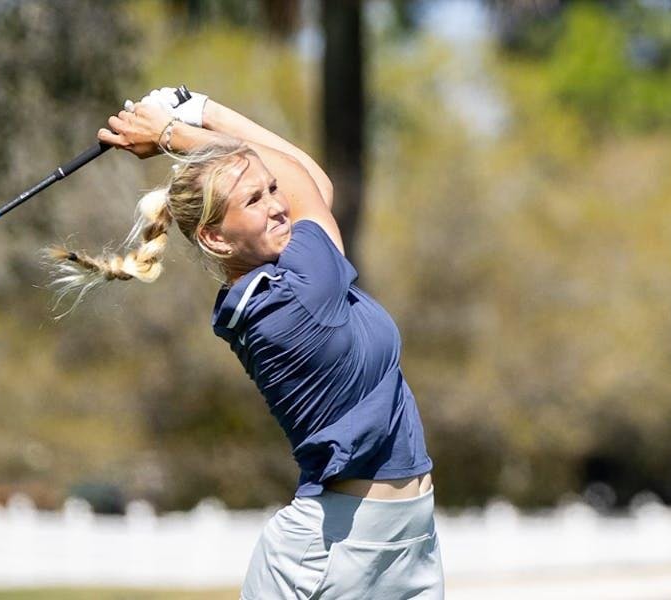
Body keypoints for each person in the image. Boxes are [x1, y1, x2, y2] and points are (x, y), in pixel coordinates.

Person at [49, 87, 444, 599]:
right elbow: (304, 182)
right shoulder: (291, 301)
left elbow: (306, 183)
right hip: (329, 554)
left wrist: (201, 111)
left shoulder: (288, 276)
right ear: (215, 237)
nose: (277, 206)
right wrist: (174, 133)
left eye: (271, 191)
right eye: (254, 200)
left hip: (405, 541)